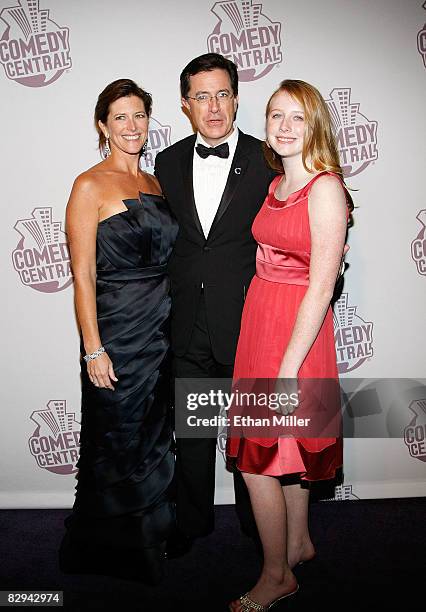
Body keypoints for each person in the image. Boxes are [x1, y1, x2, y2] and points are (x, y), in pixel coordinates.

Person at [227, 79, 353, 611]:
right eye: (276, 115)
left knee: (257, 463)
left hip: (296, 335)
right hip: (262, 321)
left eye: (297, 117)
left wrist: (286, 369)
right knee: (289, 452)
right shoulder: (276, 184)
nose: (283, 126)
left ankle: (276, 575)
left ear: (316, 124)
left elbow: (322, 286)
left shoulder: (324, 188)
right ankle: (298, 543)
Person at [155, 53, 276, 556]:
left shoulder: (269, 157)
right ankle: (193, 522)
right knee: (196, 432)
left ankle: (259, 526)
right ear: (185, 105)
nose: (213, 106)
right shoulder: (167, 161)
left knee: (253, 434)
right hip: (186, 324)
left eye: (222, 94)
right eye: (201, 96)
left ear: (236, 98)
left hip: (248, 321)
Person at [59, 79, 178, 584]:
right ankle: (107, 547)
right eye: (120, 117)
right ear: (103, 126)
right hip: (117, 330)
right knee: (115, 438)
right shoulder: (88, 185)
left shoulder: (156, 184)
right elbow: (82, 274)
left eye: (140, 115)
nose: (132, 126)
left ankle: (150, 539)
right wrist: (93, 349)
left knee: (153, 438)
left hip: (162, 328)